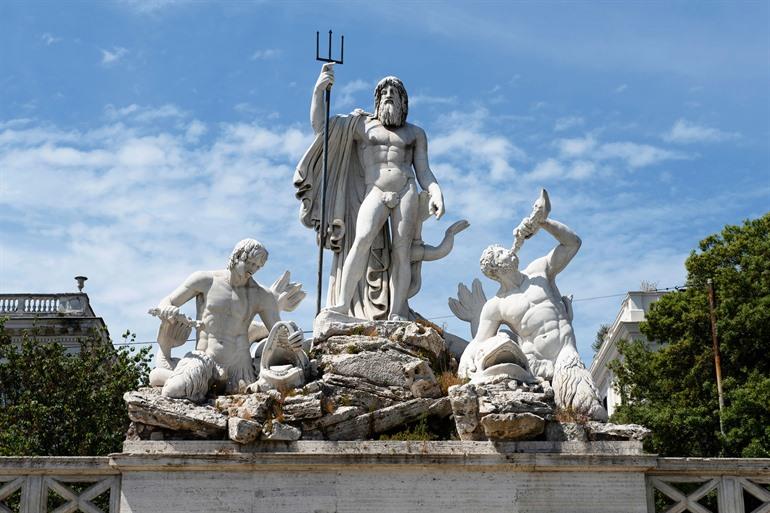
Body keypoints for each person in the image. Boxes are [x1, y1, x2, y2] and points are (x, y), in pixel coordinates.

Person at [294, 64, 445, 320]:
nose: (388, 94)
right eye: (383, 91)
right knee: (360, 241)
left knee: (402, 251)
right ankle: (342, 304)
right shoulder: (361, 125)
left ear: (402, 101)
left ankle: (397, 312)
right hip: (375, 190)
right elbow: (321, 127)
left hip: (405, 188)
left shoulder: (415, 133)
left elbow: (424, 171)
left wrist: (436, 192)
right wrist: (319, 90)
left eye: (394, 92)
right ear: (377, 100)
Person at [457, 191, 607, 419]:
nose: (506, 251)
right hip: (533, 365)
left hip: (565, 354)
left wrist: (542, 223)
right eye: (499, 252)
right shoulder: (495, 306)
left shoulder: (539, 271)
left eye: (502, 248)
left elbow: (572, 244)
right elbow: (479, 342)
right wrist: (465, 367)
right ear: (494, 270)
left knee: (589, 410)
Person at [156, 239, 304, 395]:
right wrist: (167, 309)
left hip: (240, 369)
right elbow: (168, 301)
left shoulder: (262, 295)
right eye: (250, 263)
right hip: (205, 359)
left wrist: (294, 338)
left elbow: (279, 331)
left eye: (257, 266)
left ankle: (167, 374)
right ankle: (167, 375)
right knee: (173, 390)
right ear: (237, 256)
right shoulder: (205, 280)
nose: (252, 269)